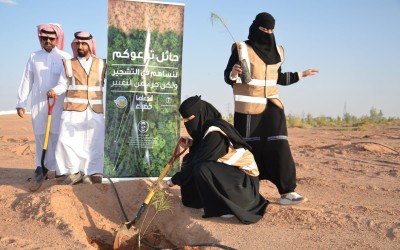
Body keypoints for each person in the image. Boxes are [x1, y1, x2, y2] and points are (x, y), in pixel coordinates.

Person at [224, 12, 319, 205]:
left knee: (280, 145)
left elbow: (279, 78)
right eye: (264, 29)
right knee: (249, 149)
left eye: (271, 30)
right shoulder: (242, 48)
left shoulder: (279, 51)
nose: (268, 33)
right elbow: (228, 76)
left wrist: (302, 74)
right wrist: (234, 73)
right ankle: (247, 193)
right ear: (255, 27)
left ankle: (287, 192)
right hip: (248, 109)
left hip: (273, 107)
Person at [167, 95, 268, 224]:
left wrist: (171, 181)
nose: (188, 123)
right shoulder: (208, 129)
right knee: (190, 158)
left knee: (202, 167)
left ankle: (224, 208)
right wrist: (192, 143)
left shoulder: (216, 132)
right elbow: (205, 151)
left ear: (201, 113)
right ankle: (196, 201)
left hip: (245, 188)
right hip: (235, 179)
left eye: (190, 119)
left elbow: (202, 158)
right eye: (185, 120)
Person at [16, 23, 71, 190]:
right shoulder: (34, 57)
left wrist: (57, 90)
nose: (47, 40)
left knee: (57, 135)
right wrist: (21, 101)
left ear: (56, 39)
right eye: (44, 38)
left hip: (57, 104)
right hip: (38, 105)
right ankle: (41, 168)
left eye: (51, 38)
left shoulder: (64, 57)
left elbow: (67, 82)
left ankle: (59, 169)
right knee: (40, 135)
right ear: (40, 38)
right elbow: (27, 80)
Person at [47, 31, 106, 185]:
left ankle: (94, 172)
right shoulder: (68, 63)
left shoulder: (102, 64)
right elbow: (62, 84)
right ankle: (72, 171)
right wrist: (54, 91)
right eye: (77, 43)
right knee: (66, 141)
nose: (80, 46)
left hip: (95, 110)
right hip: (72, 109)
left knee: (94, 141)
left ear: (90, 45)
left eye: (83, 43)